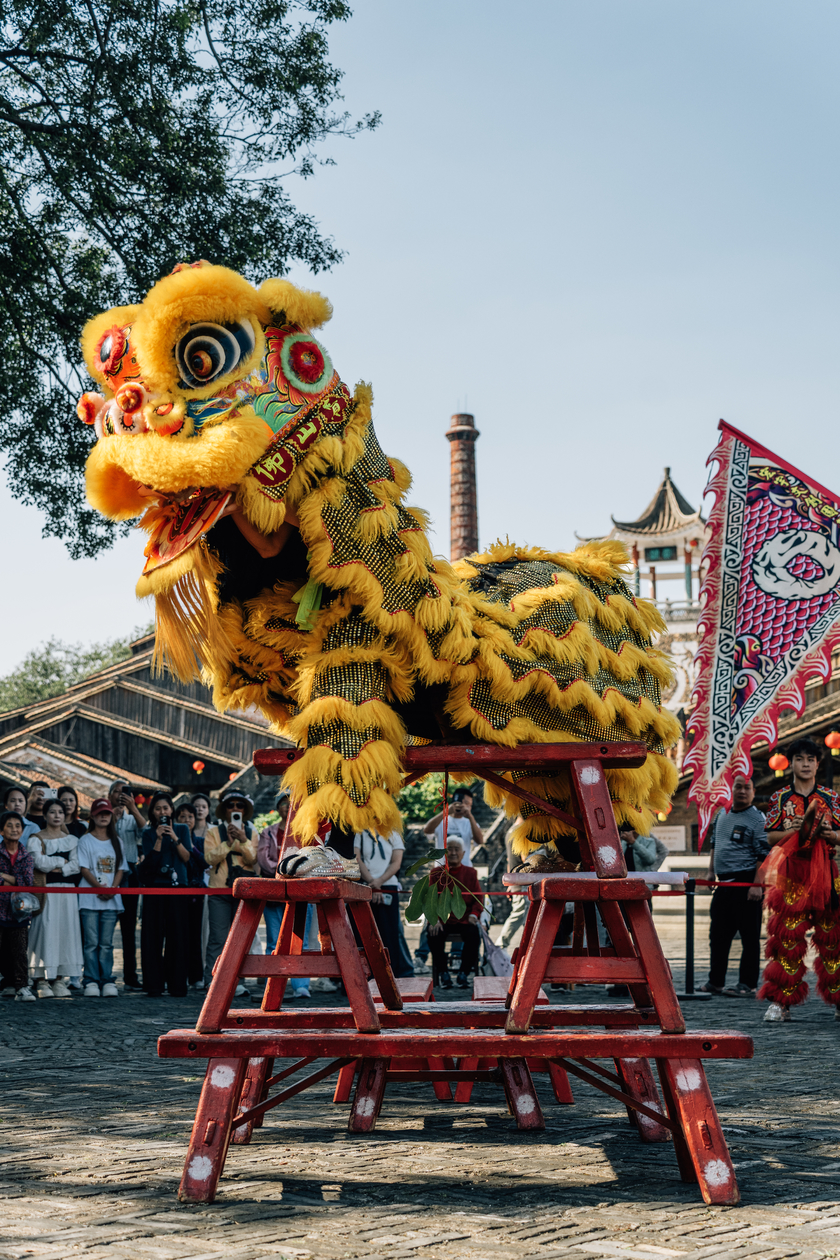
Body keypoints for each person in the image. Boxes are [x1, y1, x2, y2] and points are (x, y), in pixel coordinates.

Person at [759, 738, 840, 1023]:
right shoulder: (780, 798)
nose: (805, 764)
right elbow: (769, 836)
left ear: (818, 764)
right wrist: (791, 831)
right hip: (792, 873)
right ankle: (781, 1002)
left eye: (810, 759)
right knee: (787, 938)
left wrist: (830, 835)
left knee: (834, 939)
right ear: (791, 763)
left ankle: (838, 1001)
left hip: (827, 872)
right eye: (799, 759)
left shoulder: (831, 798)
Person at [699, 774, 769, 999]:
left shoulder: (758, 819)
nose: (742, 791)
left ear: (754, 792)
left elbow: (763, 854)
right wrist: (710, 871)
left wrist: (757, 884)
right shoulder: (722, 814)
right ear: (731, 789)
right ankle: (715, 981)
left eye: (747, 788)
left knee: (749, 937)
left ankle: (747, 984)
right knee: (718, 936)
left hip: (747, 883)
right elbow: (714, 844)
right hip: (723, 884)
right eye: (738, 787)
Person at [257, 792, 315, 998]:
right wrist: (286, 869)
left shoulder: (308, 831)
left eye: (290, 804)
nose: (287, 807)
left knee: (301, 942)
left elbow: (312, 858)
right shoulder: (268, 833)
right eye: (283, 804)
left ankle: (301, 986)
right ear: (278, 807)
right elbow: (264, 860)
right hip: (275, 892)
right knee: (274, 941)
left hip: (301, 893)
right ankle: (273, 986)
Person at [204, 790, 260, 994]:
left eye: (240, 805)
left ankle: (238, 982)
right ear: (224, 810)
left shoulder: (253, 833)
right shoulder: (213, 833)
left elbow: (254, 860)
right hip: (219, 890)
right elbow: (209, 859)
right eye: (231, 805)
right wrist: (227, 843)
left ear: (245, 811)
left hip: (244, 891)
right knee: (218, 937)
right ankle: (212, 979)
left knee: (240, 938)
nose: (235, 809)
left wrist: (243, 840)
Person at [27, 799, 83, 998]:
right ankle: (41, 978)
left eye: (60, 811)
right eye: (52, 812)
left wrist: (62, 867)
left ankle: (59, 978)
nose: (57, 815)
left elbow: (76, 866)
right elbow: (39, 863)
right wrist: (61, 861)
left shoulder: (73, 840)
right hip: (46, 890)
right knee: (45, 930)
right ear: (45, 815)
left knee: (66, 931)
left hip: (67, 891)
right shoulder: (36, 839)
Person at [139, 792, 192, 998]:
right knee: (152, 937)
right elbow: (149, 864)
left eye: (166, 808)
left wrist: (175, 838)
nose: (162, 812)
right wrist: (159, 838)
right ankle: (154, 985)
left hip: (178, 887)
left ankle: (177, 985)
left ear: (172, 810)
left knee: (178, 937)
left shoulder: (182, 829)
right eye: (158, 808)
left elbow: (187, 858)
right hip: (154, 888)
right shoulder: (148, 833)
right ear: (152, 812)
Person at [77, 798, 127, 997]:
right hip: (89, 898)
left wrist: (112, 889)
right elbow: (84, 868)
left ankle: (107, 979)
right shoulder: (85, 840)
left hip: (111, 899)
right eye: (100, 813)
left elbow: (121, 869)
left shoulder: (118, 841)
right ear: (93, 816)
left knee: (106, 943)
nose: (103, 816)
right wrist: (99, 887)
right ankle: (90, 979)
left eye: (107, 813)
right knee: (91, 942)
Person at [354, 826, 414, 980]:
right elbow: (356, 858)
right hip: (365, 884)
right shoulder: (360, 833)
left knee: (389, 931)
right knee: (364, 932)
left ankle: (390, 973)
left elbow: (396, 862)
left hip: (388, 884)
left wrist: (379, 882)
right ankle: (365, 973)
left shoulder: (393, 833)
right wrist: (372, 883)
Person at [427, 837, 484, 989]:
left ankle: (463, 974)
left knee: (474, 935)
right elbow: (429, 900)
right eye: (449, 849)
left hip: (465, 919)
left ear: (463, 853)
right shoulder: (435, 873)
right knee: (433, 934)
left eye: (456, 849)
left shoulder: (471, 873)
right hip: (442, 919)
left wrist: (474, 915)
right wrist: (434, 919)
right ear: (444, 853)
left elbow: (478, 897)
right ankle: (444, 973)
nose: (453, 852)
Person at [110, 780, 146, 992]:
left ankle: (131, 975)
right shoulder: (105, 817)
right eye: (116, 792)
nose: (120, 795)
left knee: (128, 929)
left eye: (124, 792)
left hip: (131, 873)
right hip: (107, 873)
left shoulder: (133, 818)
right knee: (104, 927)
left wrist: (133, 808)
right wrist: (111, 819)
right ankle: (100, 974)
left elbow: (146, 832)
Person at [0, 811, 36, 1000]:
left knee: (19, 951)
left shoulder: (26, 856)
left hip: (20, 911)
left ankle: (22, 986)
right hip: (0, 909)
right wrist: (14, 880)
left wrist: (5, 876)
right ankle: (6, 983)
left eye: (17, 826)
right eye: (9, 825)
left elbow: (27, 882)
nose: (14, 829)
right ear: (1, 830)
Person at [175, 801, 209, 988]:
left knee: (196, 935)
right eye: (182, 817)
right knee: (178, 935)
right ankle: (178, 975)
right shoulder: (171, 838)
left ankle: (196, 976)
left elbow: (205, 863)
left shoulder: (200, 841)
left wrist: (191, 847)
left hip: (197, 890)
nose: (187, 820)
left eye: (190, 817)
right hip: (177, 890)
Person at [423, 787, 483, 867]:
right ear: (457, 801)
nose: (468, 807)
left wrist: (470, 817)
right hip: (441, 869)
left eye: (470, 805)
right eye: (466, 803)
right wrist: (446, 811)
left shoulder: (469, 822)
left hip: (463, 869)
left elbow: (480, 841)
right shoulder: (441, 820)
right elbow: (427, 830)